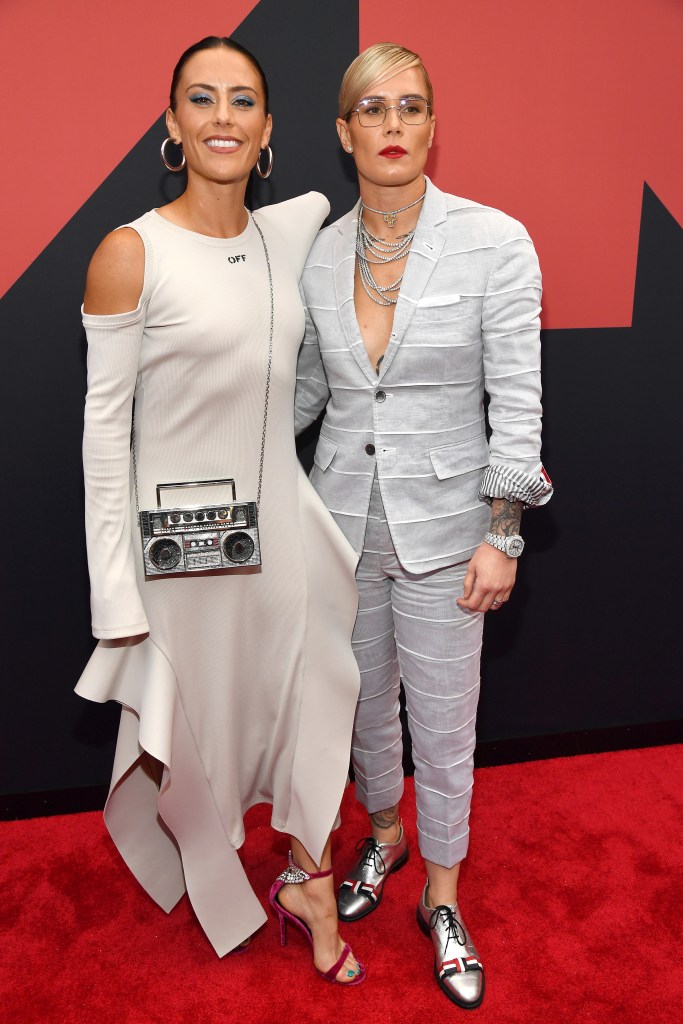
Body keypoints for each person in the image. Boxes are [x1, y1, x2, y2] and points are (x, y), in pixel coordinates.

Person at [76, 35, 364, 984]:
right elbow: (101, 443)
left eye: (242, 101)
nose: (223, 118)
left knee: (318, 692)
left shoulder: (287, 232)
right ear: (172, 125)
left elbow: (342, 198)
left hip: (279, 533)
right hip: (179, 555)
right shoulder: (130, 252)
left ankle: (309, 876)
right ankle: (218, 879)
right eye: (202, 100)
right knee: (198, 728)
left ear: (269, 129)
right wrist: (116, 597)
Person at [295, 42, 552, 1008]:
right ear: (343, 131)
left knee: (443, 727)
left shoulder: (495, 240)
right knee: (360, 712)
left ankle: (441, 898)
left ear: (433, 125)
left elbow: (515, 401)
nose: (392, 125)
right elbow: (314, 391)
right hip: (338, 528)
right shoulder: (321, 252)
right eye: (372, 109)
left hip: (450, 532)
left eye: (410, 107)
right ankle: (383, 837)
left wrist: (505, 532)